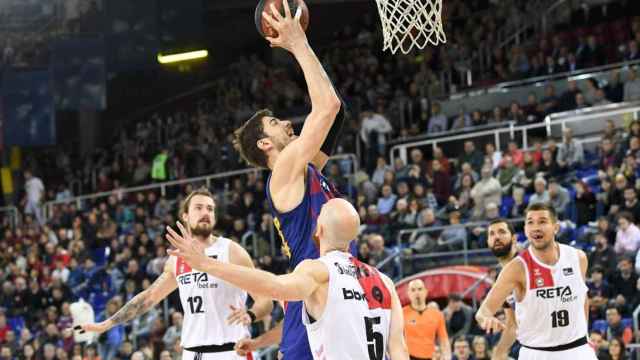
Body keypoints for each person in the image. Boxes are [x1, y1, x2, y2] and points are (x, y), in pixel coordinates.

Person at [232, 2, 348, 359]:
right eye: (276, 124)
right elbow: (326, 106)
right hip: (314, 288)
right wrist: (298, 42)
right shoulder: (283, 171)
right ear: (267, 144)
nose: (287, 124)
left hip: (333, 284)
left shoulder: (305, 167)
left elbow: (336, 110)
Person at [166, 198, 409, 360]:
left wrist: (205, 264)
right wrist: (259, 341)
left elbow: (274, 286)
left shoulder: (317, 271)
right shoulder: (384, 281)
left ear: (318, 230)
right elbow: (399, 350)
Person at [76, 189, 273, 360]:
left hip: (231, 351)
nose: (206, 213)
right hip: (191, 352)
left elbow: (265, 300)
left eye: (210, 209)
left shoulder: (232, 251)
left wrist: (250, 314)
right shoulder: (178, 259)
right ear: (185, 216)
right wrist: (107, 324)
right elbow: (149, 297)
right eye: (198, 208)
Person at [475, 203, 597, 359]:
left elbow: (582, 299)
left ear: (556, 227)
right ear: (525, 230)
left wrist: (584, 336)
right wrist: (486, 319)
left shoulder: (578, 257)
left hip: (578, 350)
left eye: (542, 221)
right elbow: (483, 312)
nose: (535, 227)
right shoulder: (516, 268)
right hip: (537, 352)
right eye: (530, 222)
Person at [485, 219, 520, 360]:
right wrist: (499, 352)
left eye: (501, 232)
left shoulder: (529, 264)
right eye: (491, 234)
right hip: (532, 347)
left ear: (514, 238)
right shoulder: (500, 279)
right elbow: (512, 324)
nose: (496, 237)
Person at [403, 279, 451, 360]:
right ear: (408, 293)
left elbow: (444, 340)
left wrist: (446, 357)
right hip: (408, 356)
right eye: (413, 290)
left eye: (420, 289)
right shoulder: (401, 313)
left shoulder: (437, 314)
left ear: (426, 291)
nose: (417, 293)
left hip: (430, 357)